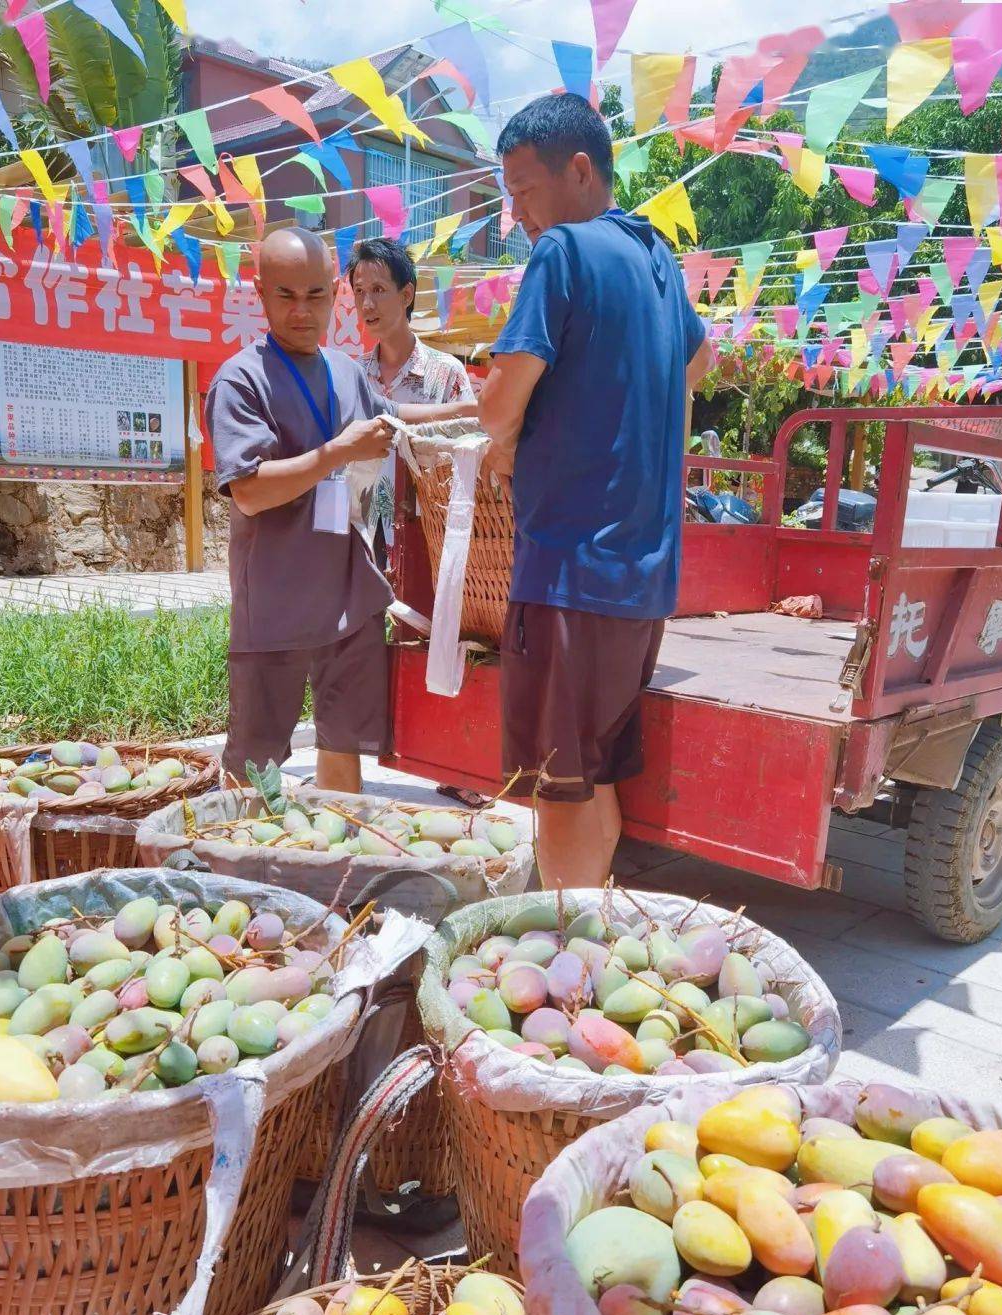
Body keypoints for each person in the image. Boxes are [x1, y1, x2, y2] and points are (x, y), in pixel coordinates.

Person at [478, 94, 715, 889]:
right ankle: (594, 933)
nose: (519, 214)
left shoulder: (566, 255)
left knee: (559, 786)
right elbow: (698, 363)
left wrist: (511, 444)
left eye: (524, 190)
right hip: (641, 582)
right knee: (595, 774)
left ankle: (566, 957)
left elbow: (499, 402)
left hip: (570, 572)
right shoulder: (656, 259)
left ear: (579, 171)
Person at [206, 227, 475, 793]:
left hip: (350, 600)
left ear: (334, 293)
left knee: (342, 747)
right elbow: (250, 491)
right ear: (260, 292)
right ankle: (236, 874)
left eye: (315, 295)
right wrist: (337, 452)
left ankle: (335, 874)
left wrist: (482, 406)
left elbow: (394, 414)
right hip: (275, 604)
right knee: (255, 766)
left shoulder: (346, 370)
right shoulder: (240, 379)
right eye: (286, 296)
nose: (302, 311)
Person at [348, 237, 475, 557]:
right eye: (359, 291)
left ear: (407, 294)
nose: (366, 305)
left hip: (430, 538)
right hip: (359, 538)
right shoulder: (352, 376)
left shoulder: (447, 375)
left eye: (377, 290)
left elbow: (470, 458)